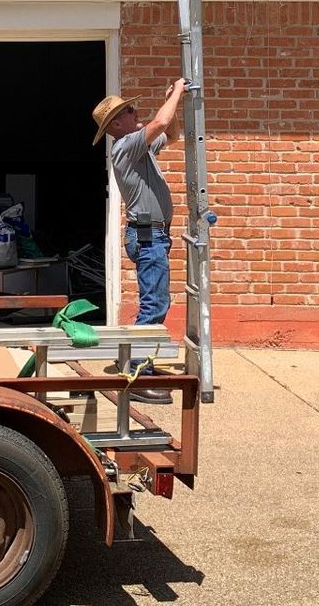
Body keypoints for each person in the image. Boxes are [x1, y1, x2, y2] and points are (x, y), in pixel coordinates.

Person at [90, 77, 187, 402]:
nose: (136, 113)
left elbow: (170, 131)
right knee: (155, 303)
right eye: (130, 111)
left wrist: (175, 104)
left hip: (153, 233)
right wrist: (174, 94)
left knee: (156, 301)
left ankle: (139, 362)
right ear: (117, 123)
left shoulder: (137, 145)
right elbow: (160, 121)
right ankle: (135, 372)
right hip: (148, 235)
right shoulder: (124, 146)